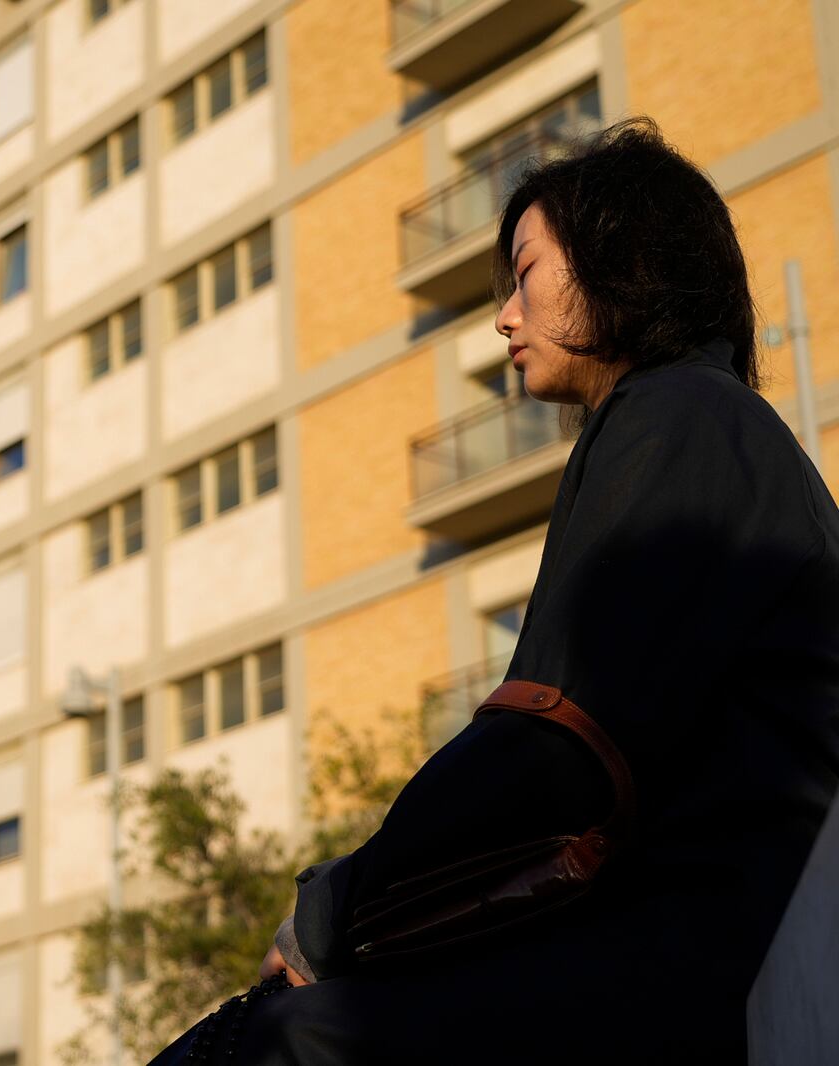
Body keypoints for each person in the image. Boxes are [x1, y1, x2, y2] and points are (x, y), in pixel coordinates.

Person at [150, 115, 839, 1064]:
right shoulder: (714, 426)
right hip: (705, 960)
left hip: (692, 978)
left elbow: (560, 744)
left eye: (525, 271)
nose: (504, 315)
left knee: (252, 1046)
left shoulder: (677, 415)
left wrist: (329, 913)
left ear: (619, 255)